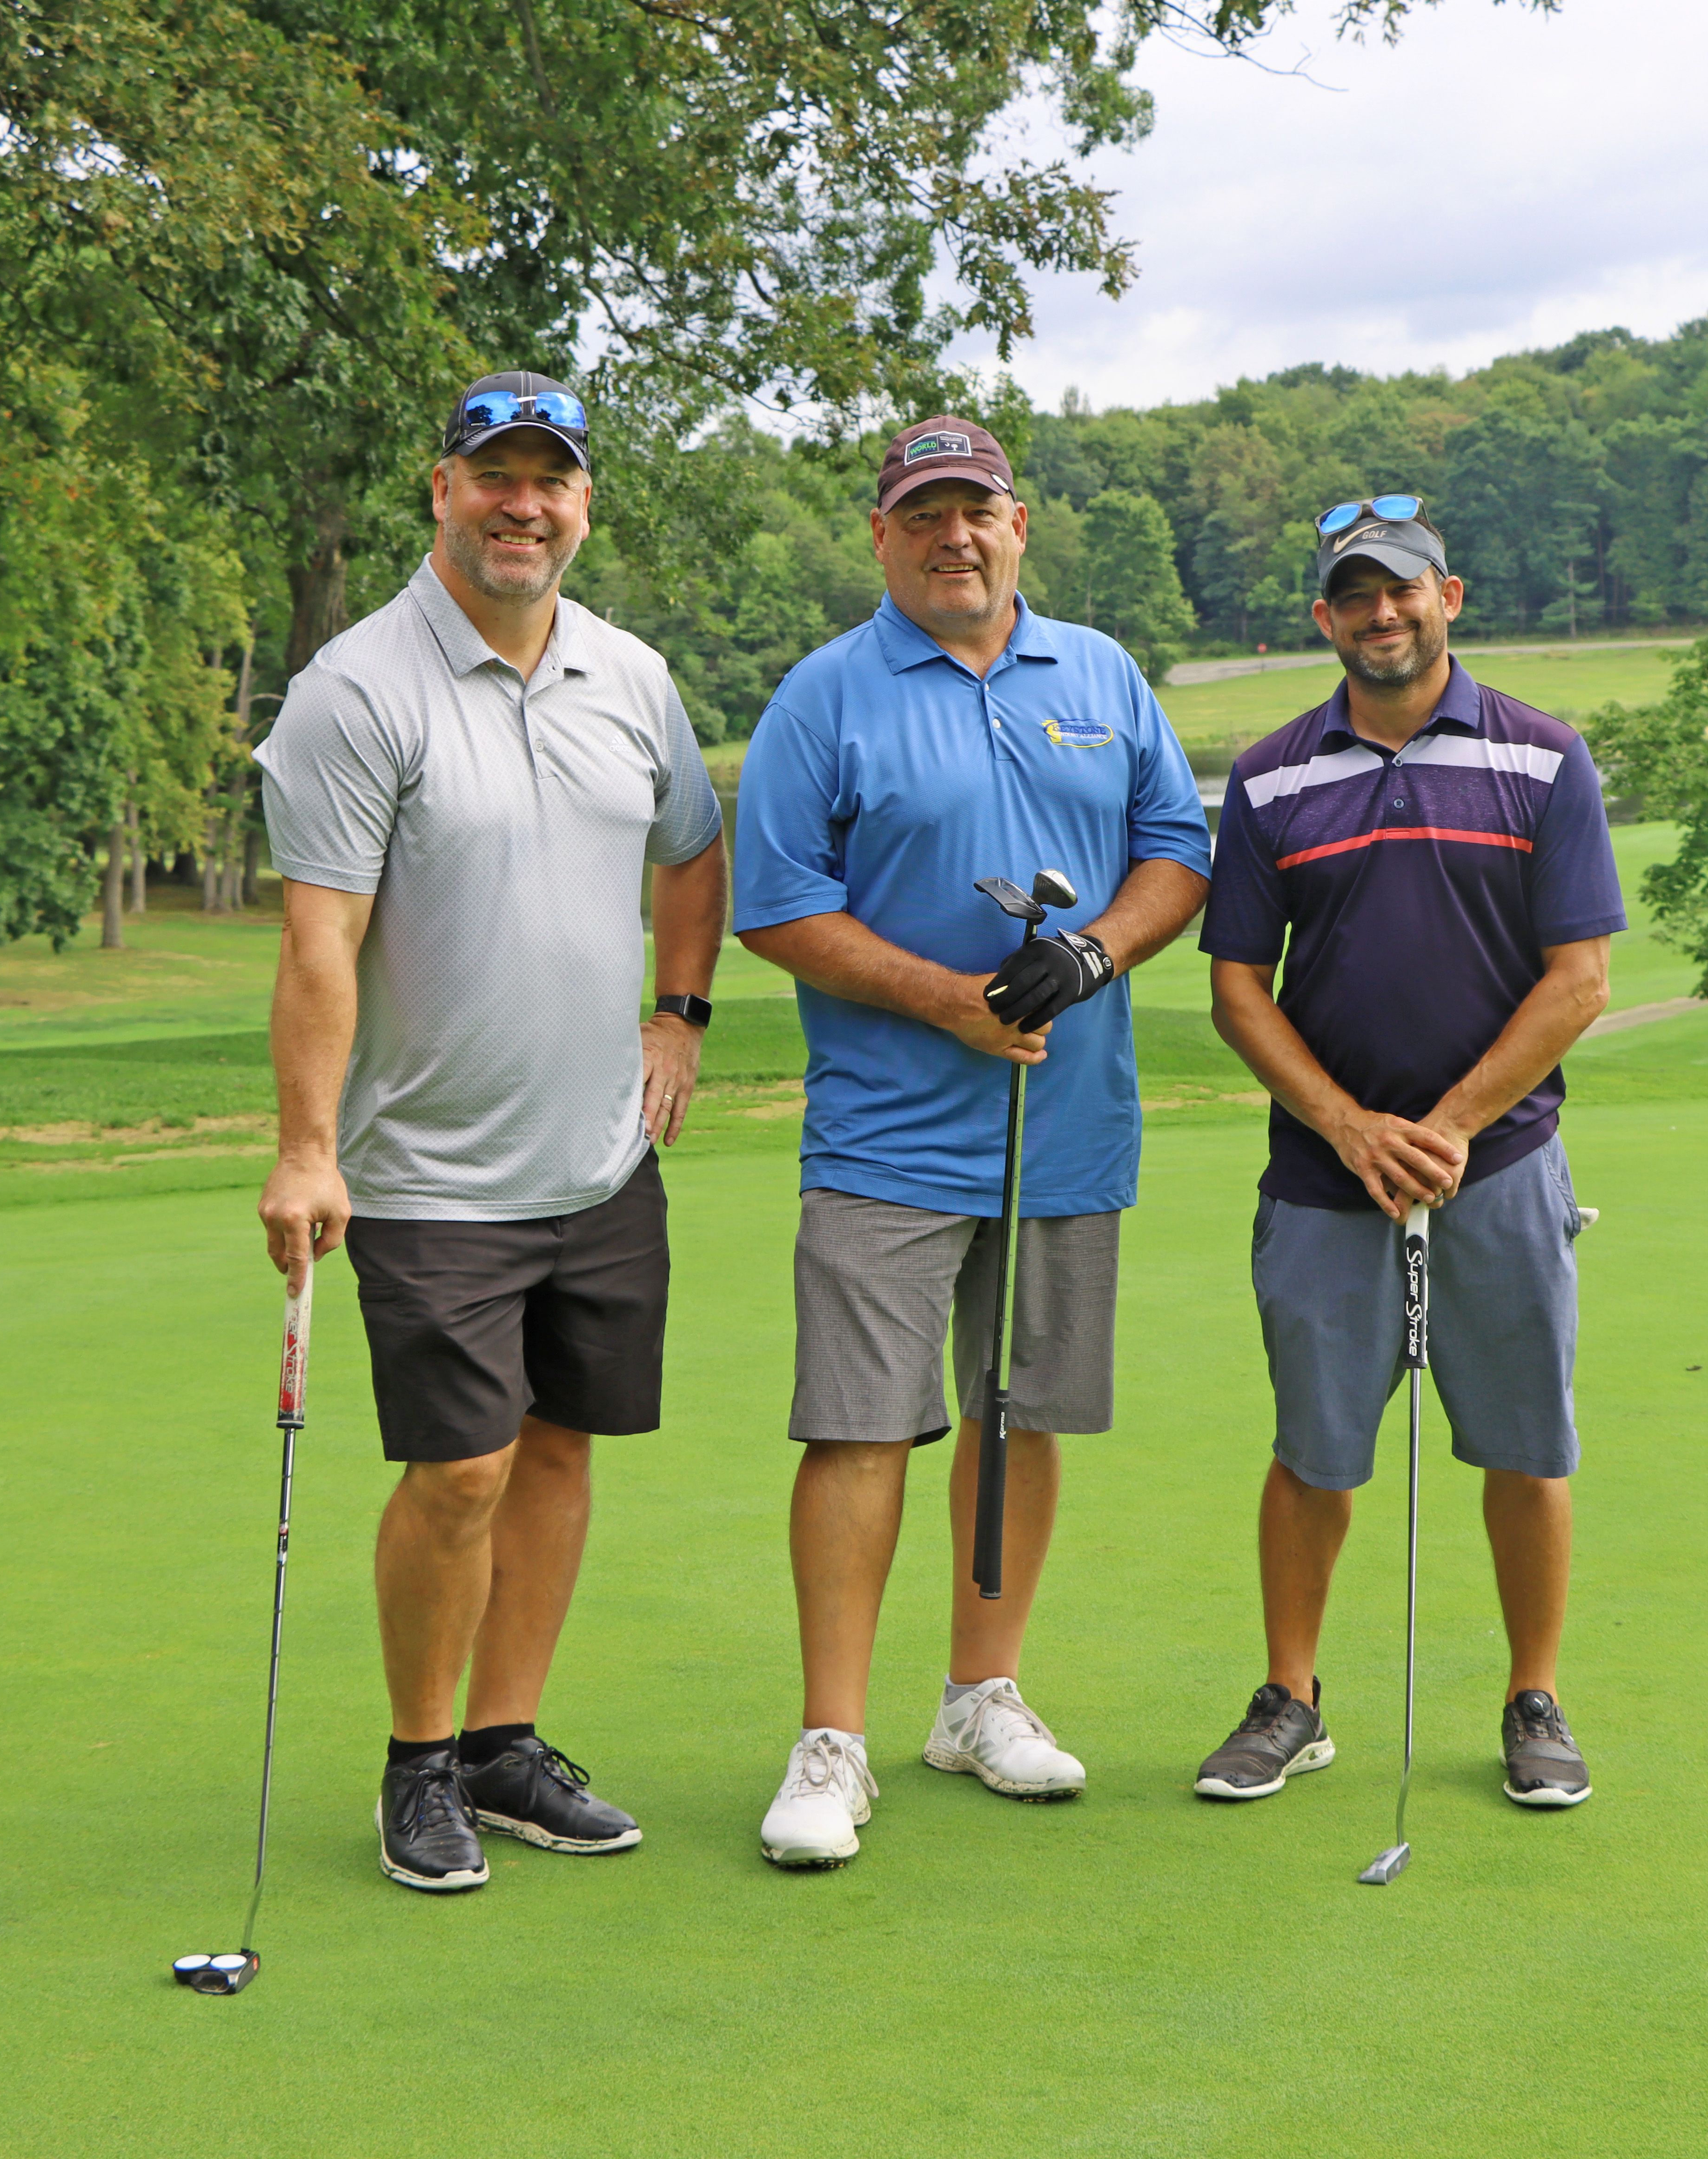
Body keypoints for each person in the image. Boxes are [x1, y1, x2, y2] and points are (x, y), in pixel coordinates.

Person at [253, 371, 727, 1893]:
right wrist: (306, 1145)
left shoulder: (633, 677)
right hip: (429, 1170)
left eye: (554, 479)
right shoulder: (357, 687)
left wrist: (682, 1015)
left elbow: (693, 857)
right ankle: (420, 1759)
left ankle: (507, 1744)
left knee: (562, 1450)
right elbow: (319, 943)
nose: (526, 504)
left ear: (584, 502)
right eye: (496, 475)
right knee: (460, 1472)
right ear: (441, 487)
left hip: (599, 1159)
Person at [732, 415, 1212, 1869]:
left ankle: (978, 1698)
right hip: (885, 1134)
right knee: (860, 1424)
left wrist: (1097, 956)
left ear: (1021, 527)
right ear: (882, 535)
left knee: (1023, 1412)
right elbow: (775, 901)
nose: (955, 537)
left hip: (1065, 1130)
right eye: (925, 514)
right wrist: (943, 997)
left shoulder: (1105, 673)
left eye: (978, 512)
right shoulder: (826, 696)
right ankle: (832, 1742)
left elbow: (1177, 850)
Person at [1191, 497, 1621, 1811]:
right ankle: (1290, 1699)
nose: (1383, 614)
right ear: (1326, 618)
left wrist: (1446, 1127)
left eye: (1405, 591)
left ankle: (1532, 1698)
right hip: (1327, 1176)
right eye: (1356, 596)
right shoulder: (1268, 778)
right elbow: (1238, 991)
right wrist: (1349, 1125)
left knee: (1524, 1447)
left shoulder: (1545, 759)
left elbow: (1579, 980)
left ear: (1452, 598)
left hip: (1495, 1167)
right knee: (1315, 1452)